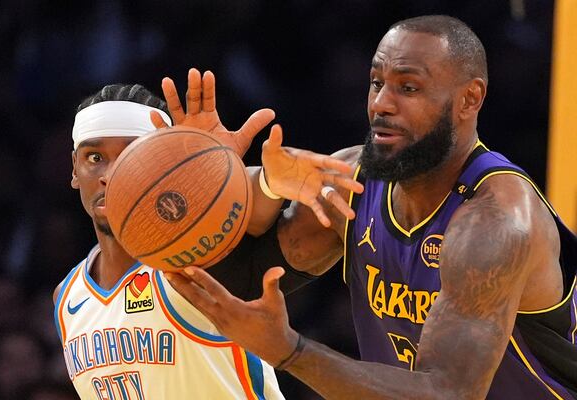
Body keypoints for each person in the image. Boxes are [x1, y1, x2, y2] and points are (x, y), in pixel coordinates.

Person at [165, 15, 577, 399]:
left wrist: (292, 352)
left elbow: (449, 392)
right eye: (376, 82)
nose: (381, 103)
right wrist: (207, 188)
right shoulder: (352, 183)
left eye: (408, 87)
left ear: (469, 99)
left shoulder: (497, 219)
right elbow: (236, 283)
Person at [52, 71, 351, 399]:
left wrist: (226, 174)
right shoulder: (67, 297)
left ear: (160, 166)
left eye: (129, 157)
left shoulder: (194, 261)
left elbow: (249, 221)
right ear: (74, 169)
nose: (109, 175)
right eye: (95, 158)